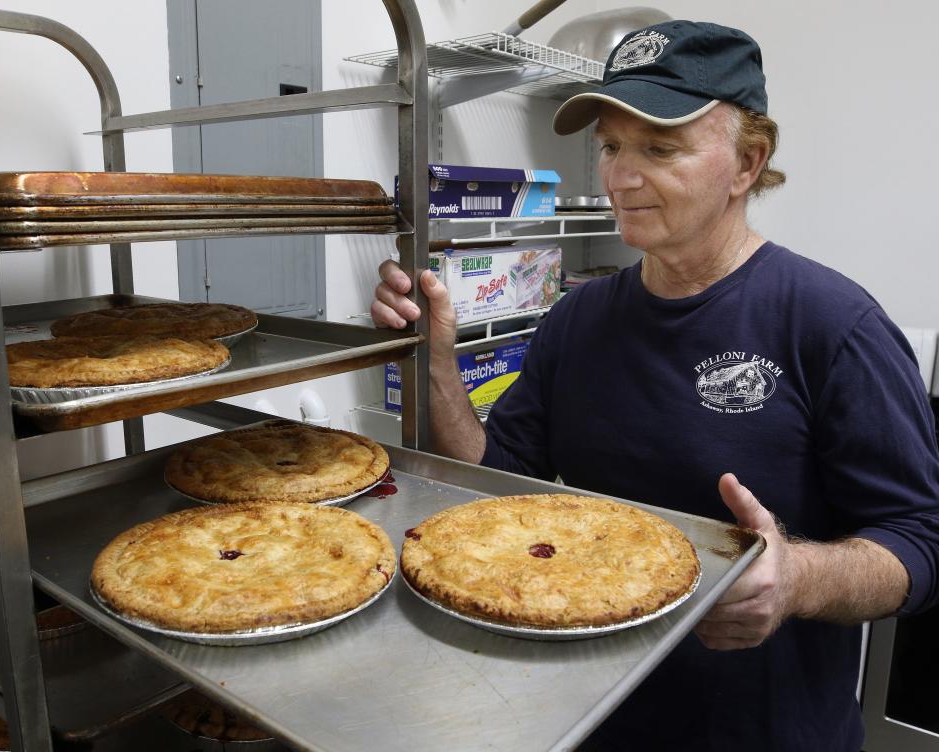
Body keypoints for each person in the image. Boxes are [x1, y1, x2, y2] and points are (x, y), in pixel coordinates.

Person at [371, 19, 939, 752]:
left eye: (659, 148)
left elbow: (919, 544)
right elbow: (496, 485)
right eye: (611, 146)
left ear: (746, 163)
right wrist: (437, 362)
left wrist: (795, 575)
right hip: (588, 717)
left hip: (763, 732)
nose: (618, 176)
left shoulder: (832, 325)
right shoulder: (575, 320)